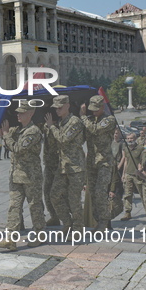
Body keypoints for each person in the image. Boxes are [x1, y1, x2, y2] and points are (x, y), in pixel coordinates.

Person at [0, 106, 44, 250]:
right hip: (16, 175)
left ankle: (40, 234)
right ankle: (10, 239)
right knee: (14, 207)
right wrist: (4, 132)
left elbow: (18, 148)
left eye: (22, 113)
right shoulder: (18, 130)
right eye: (17, 112)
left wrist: (5, 134)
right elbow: (7, 138)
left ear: (31, 113)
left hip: (30, 176)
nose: (18, 115)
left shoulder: (33, 131)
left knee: (34, 206)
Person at [45, 95, 85, 237]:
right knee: (54, 195)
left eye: (60, 108)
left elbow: (63, 139)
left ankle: (78, 229)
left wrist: (51, 127)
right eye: (55, 108)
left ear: (67, 106)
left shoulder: (74, 122)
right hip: (63, 168)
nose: (57, 110)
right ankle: (67, 223)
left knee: (74, 200)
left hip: (75, 167)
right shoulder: (61, 123)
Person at [80, 95, 117, 232]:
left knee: (101, 192)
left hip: (104, 162)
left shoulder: (109, 120)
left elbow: (95, 130)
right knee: (93, 194)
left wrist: (82, 117)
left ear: (102, 107)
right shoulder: (90, 120)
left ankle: (104, 221)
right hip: (91, 162)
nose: (94, 112)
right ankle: (98, 220)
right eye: (92, 109)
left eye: (96, 109)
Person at [121, 133, 146, 221]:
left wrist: (141, 171)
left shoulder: (141, 149)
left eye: (131, 138)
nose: (130, 140)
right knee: (127, 194)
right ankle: (127, 212)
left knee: (143, 195)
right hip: (128, 174)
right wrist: (123, 174)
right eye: (128, 138)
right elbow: (126, 161)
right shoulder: (126, 149)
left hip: (138, 175)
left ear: (135, 139)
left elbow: (143, 162)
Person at [43, 123, 60, 226]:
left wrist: (52, 126)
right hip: (49, 163)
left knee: (59, 193)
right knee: (46, 191)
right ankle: (54, 216)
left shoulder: (61, 124)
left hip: (59, 164)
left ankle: (69, 220)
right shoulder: (45, 125)